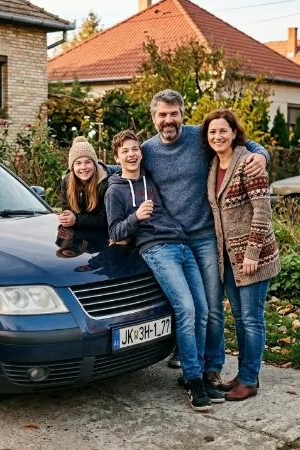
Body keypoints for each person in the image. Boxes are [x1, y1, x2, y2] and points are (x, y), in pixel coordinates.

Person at [142, 89, 269, 385]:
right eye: (162, 114)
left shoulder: (199, 137)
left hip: (205, 238)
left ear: (182, 115)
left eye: (174, 114)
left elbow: (243, 142)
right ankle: (190, 358)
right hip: (172, 241)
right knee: (186, 305)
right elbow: (124, 168)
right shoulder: (147, 150)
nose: (168, 120)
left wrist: (261, 155)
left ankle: (212, 365)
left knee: (212, 308)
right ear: (154, 117)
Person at [106, 130, 223, 412]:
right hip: (156, 249)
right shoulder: (115, 190)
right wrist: (136, 217)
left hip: (182, 244)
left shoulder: (149, 177)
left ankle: (196, 372)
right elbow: (114, 231)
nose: (132, 154)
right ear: (117, 157)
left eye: (135, 149)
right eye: (125, 151)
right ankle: (194, 379)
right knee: (186, 309)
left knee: (204, 309)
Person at [202, 109, 280, 401]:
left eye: (223, 131)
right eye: (212, 132)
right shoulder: (213, 165)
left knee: (251, 319)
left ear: (234, 132)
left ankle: (249, 380)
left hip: (253, 259)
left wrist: (252, 253)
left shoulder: (248, 162)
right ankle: (246, 373)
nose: (217, 136)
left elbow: (262, 209)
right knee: (240, 317)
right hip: (229, 261)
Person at [58, 136, 115, 230]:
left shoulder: (105, 183)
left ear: (95, 164)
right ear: (72, 167)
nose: (83, 167)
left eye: (87, 162)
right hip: (76, 236)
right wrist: (65, 218)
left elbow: (105, 220)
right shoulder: (67, 182)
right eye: (78, 163)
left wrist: (76, 219)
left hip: (100, 237)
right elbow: (67, 211)